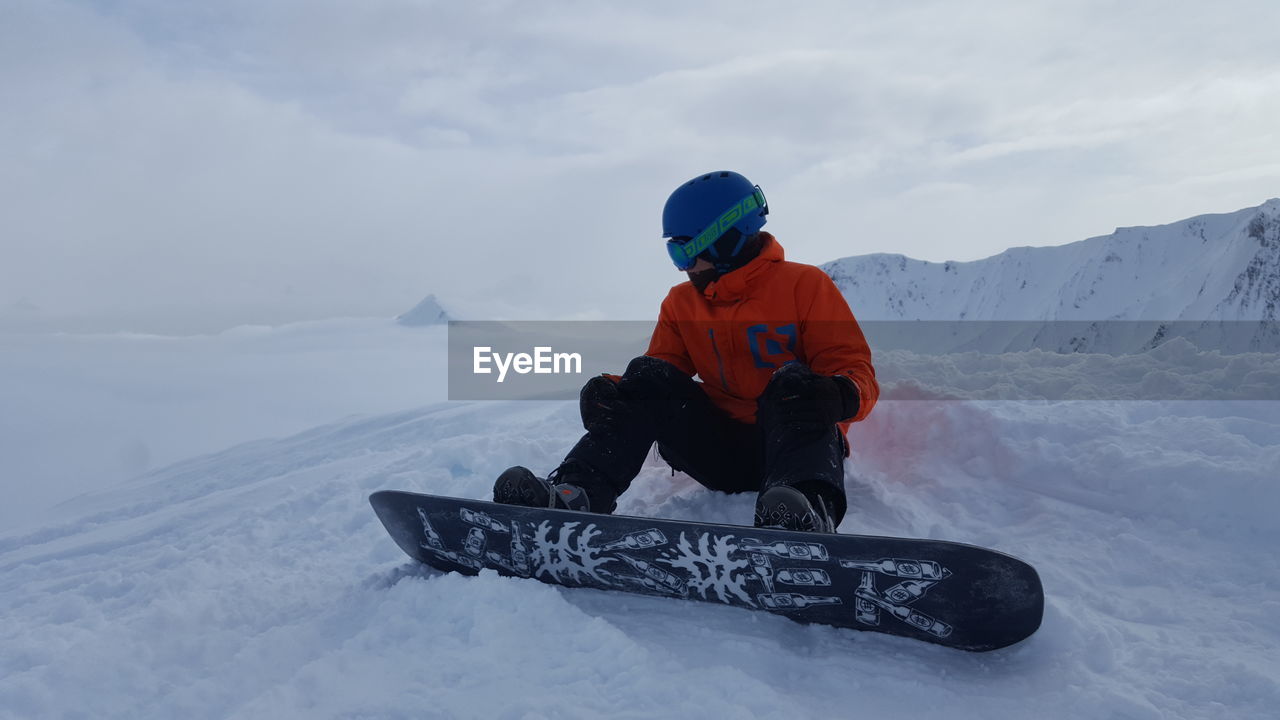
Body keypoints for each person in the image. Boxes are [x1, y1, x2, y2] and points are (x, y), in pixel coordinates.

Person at [494, 170, 878, 533]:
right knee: (648, 374)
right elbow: (660, 374)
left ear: (726, 239)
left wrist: (840, 395)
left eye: (686, 253)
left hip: (790, 449)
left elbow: (851, 367)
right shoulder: (681, 303)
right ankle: (574, 494)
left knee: (793, 382)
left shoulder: (804, 285)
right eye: (675, 254)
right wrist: (613, 393)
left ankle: (807, 510)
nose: (684, 268)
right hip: (718, 451)